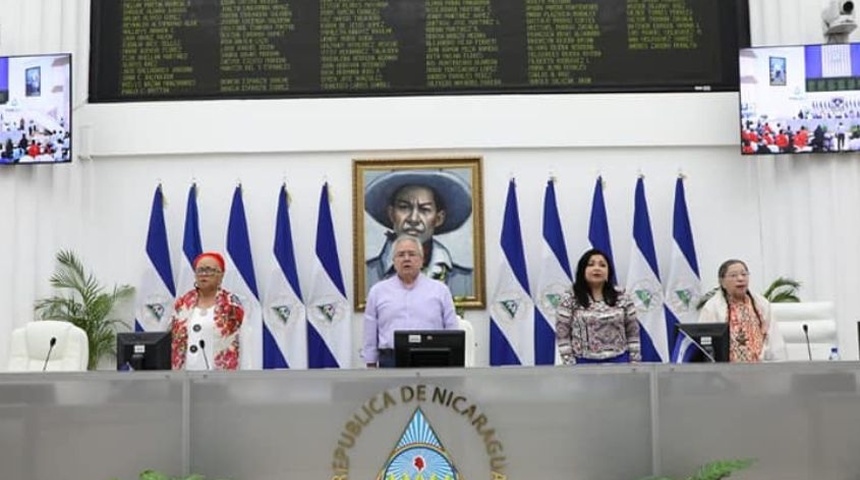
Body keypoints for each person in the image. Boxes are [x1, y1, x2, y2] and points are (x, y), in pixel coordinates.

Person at [364, 170, 473, 298]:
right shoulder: (366, 275)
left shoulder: (465, 281)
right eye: (404, 207)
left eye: (424, 209)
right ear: (391, 214)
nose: (414, 219)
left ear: (439, 218)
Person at [362, 235, 459, 368]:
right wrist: (371, 364)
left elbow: (452, 330)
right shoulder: (378, 291)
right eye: (401, 255)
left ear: (421, 259)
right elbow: (370, 333)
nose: (406, 259)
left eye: (412, 254)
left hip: (432, 359)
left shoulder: (440, 291)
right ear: (394, 261)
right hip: (391, 361)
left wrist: (453, 364)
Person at [556, 248, 641, 364]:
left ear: (608, 272)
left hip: (619, 362)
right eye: (591, 265)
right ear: (582, 270)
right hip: (583, 363)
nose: (597, 268)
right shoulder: (570, 298)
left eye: (602, 265)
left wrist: (634, 362)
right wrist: (570, 364)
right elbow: (562, 334)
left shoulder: (622, 296)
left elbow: (633, 331)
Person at [698, 259, 786, 362]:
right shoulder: (712, 308)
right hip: (727, 371)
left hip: (761, 367)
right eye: (733, 275)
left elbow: (774, 340)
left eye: (744, 274)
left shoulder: (761, 304)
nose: (740, 278)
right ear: (722, 282)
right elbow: (705, 345)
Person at [170, 252, 244, 370]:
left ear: (221, 275)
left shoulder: (232, 305)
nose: (204, 274)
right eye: (200, 270)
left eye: (209, 270)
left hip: (221, 378)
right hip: (184, 379)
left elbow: (245, 343)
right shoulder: (182, 304)